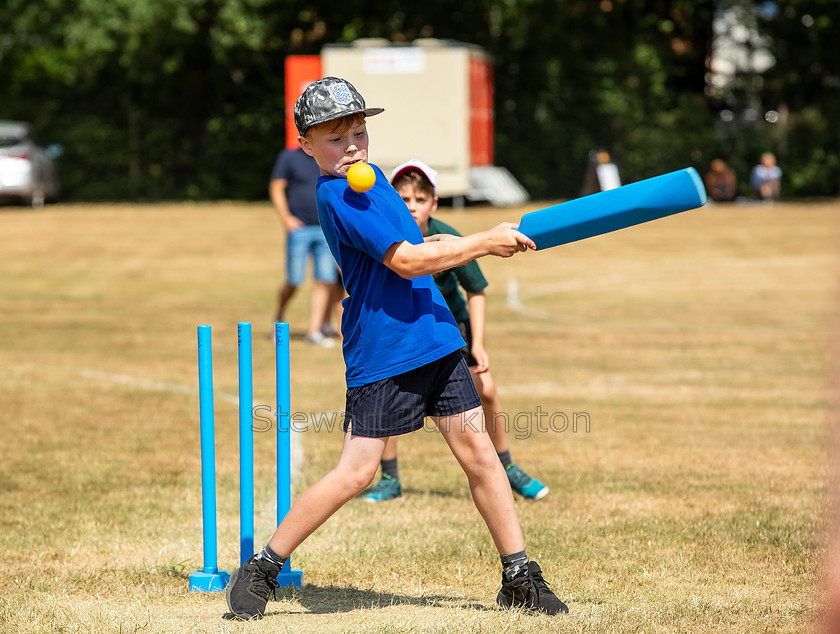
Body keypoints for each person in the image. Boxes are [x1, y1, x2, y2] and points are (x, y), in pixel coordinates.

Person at [225, 77, 568, 619]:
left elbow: (416, 244)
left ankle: (520, 575)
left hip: (434, 334)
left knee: (481, 454)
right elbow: (403, 261)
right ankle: (263, 566)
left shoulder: (375, 180)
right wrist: (483, 243)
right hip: (385, 349)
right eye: (336, 138)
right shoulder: (336, 194)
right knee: (358, 473)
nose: (353, 146)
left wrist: (457, 244)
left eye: (359, 132)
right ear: (307, 146)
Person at [362, 159, 549, 503]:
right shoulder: (386, 235)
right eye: (404, 199)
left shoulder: (450, 236)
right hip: (406, 330)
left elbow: (475, 290)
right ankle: (390, 478)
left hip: (452, 328)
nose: (412, 207)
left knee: (487, 390)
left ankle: (506, 467)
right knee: (389, 401)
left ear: (434, 203)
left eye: (420, 199)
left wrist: (478, 343)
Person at [269, 146, 343, 347]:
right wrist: (286, 218)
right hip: (299, 229)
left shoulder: (328, 157)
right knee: (294, 280)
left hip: (325, 230)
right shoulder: (289, 157)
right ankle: (279, 316)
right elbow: (276, 187)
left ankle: (313, 332)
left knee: (324, 280)